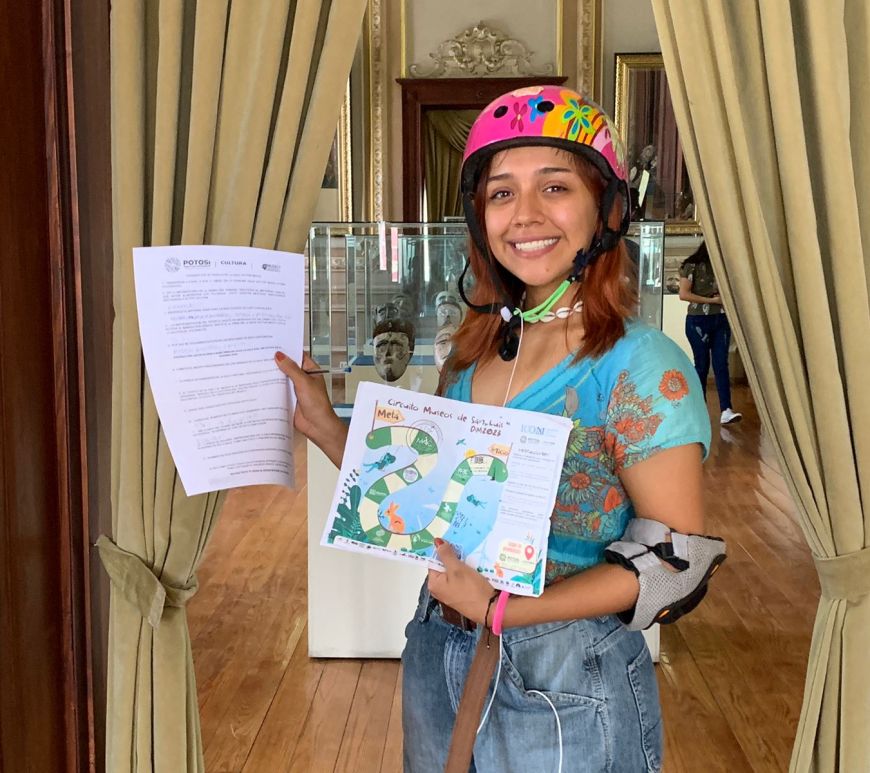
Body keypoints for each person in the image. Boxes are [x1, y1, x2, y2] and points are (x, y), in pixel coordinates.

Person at [275, 85, 724, 772]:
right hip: (441, 646)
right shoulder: (473, 351)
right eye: (502, 193)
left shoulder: (639, 363)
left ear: (606, 208)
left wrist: (501, 611)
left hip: (566, 672)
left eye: (555, 186)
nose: (526, 214)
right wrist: (325, 426)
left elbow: (674, 565)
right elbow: (436, 502)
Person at [678, 242, 742, 425]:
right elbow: (683, 294)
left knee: (721, 363)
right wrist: (712, 301)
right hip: (698, 320)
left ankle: (726, 409)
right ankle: (699, 408)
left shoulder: (723, 267)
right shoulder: (691, 266)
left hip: (720, 319)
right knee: (702, 364)